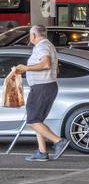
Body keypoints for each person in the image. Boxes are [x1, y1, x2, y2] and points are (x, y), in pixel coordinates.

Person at [13, 25, 70, 162]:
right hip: (44, 86)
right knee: (38, 120)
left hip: (42, 87)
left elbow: (46, 64)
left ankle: (58, 141)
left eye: (30, 35)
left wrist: (25, 68)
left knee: (33, 120)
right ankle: (42, 151)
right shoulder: (47, 45)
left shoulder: (42, 46)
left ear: (33, 35)